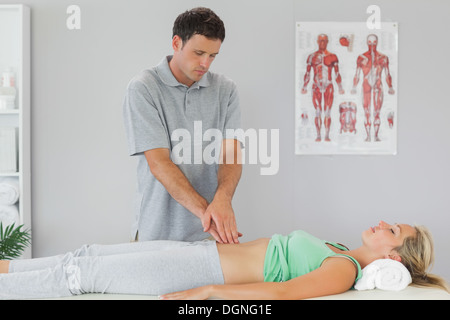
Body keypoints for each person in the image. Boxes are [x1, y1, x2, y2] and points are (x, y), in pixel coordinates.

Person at [0, 221, 447, 300]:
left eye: (395, 229)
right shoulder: (338, 249)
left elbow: (284, 292)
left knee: (84, 274)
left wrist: (213, 291)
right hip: (201, 252)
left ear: (393, 255)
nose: (384, 222)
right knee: (87, 257)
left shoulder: (345, 270)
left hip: (202, 270)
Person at [122, 7, 243, 244]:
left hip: (207, 234)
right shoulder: (144, 88)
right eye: (198, 53)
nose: (205, 63)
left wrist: (223, 199)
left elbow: (231, 156)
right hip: (156, 233)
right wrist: (207, 213)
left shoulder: (226, 90)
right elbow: (159, 163)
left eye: (212, 55)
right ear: (176, 43)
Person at [351, 34, 395, 142]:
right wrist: (354, 87)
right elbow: (357, 74)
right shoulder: (361, 58)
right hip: (366, 85)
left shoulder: (383, 58)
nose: (372, 45)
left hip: (378, 86)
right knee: (366, 111)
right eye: (370, 43)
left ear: (377, 43)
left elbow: (387, 74)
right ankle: (368, 136)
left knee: (376, 112)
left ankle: (375, 136)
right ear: (367, 43)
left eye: (374, 43)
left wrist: (390, 87)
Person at [301, 34, 345, 142]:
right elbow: (307, 73)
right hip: (316, 86)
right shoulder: (312, 56)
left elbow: (337, 73)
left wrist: (340, 87)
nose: (322, 43)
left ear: (327, 42)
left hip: (328, 86)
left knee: (327, 112)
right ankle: (318, 135)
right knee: (317, 111)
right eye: (320, 41)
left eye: (324, 41)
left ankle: (326, 135)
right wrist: (304, 86)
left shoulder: (333, 56)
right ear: (317, 41)